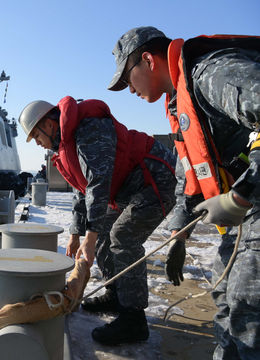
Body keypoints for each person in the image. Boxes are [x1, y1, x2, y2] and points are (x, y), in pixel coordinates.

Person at [108, 26, 260, 359]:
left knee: (246, 312)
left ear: (148, 60)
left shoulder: (211, 73)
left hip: (254, 212)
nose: (127, 90)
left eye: (127, 79)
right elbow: (188, 181)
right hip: (241, 224)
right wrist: (179, 234)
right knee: (225, 299)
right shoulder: (181, 104)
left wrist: (244, 191)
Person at [18, 96, 178, 345]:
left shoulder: (88, 128)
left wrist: (90, 236)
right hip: (130, 190)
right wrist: (75, 234)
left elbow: (98, 181)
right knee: (104, 232)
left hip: (156, 180)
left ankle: (134, 319)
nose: (38, 144)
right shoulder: (64, 144)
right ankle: (116, 293)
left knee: (123, 237)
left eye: (37, 137)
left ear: (48, 125)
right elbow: (81, 191)